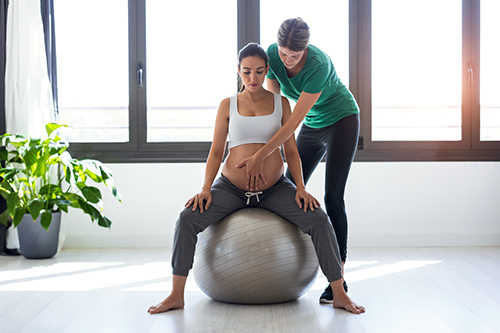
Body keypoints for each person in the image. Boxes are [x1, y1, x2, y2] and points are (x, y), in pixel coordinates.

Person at [148, 43, 364, 315]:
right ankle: (176, 295)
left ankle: (339, 293)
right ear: (238, 70)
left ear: (267, 71)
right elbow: (216, 152)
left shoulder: (280, 103)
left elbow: (292, 151)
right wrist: (205, 188)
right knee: (187, 218)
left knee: (318, 218)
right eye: (247, 71)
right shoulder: (227, 105)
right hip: (230, 189)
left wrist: (300, 187)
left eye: (259, 72)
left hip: (274, 190)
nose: (253, 78)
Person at [234, 18, 360, 304]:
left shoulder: (319, 65)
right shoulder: (271, 57)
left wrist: (261, 155)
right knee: (286, 186)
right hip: (313, 127)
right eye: (283, 53)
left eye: (295, 56)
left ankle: (337, 280)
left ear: (305, 50)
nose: (287, 61)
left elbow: (291, 122)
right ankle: (279, 258)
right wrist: (257, 150)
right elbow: (273, 108)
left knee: (333, 197)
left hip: (342, 120)